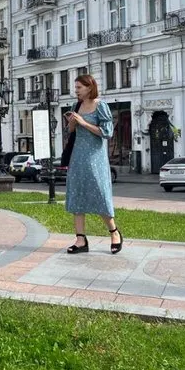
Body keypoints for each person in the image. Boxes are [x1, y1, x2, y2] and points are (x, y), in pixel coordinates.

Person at [63, 75, 122, 255]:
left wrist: (83, 122)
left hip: (95, 158)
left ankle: (114, 233)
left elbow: (107, 132)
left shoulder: (100, 105)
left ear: (90, 87)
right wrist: (72, 123)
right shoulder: (76, 106)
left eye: (79, 87)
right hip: (77, 156)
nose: (76, 90)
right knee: (77, 195)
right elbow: (71, 131)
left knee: (100, 195)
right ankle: (80, 240)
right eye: (76, 87)